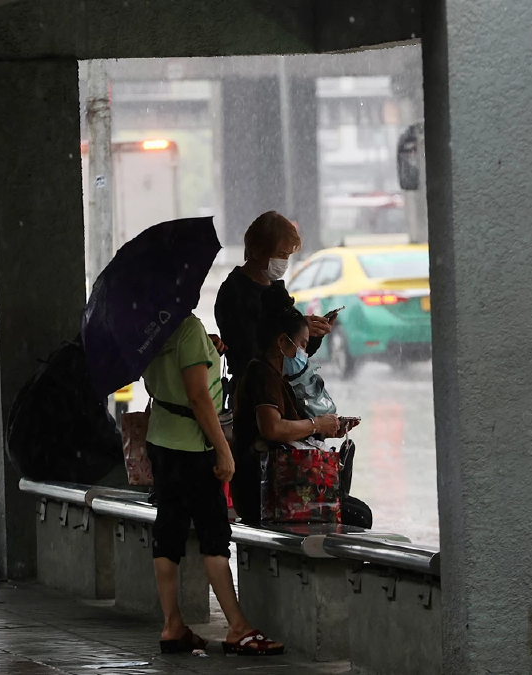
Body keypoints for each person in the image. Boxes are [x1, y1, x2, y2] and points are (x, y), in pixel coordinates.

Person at [141, 312, 284, 656]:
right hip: (193, 447)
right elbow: (198, 397)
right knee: (214, 535)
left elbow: (168, 379)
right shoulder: (187, 327)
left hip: (161, 439)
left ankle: (173, 624)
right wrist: (224, 451)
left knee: (169, 531)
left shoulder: (150, 326)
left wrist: (207, 350)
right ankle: (237, 628)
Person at [232, 293, 368, 526]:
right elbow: (272, 428)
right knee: (359, 516)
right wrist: (317, 424)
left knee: (357, 510)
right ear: (282, 342)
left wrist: (327, 428)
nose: (304, 354)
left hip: (279, 483)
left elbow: (291, 429)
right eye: (302, 345)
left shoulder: (277, 375)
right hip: (264, 489)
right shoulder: (262, 375)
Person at [215, 211, 332, 392]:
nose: (284, 262)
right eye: (280, 255)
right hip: (253, 391)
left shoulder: (276, 289)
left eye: (287, 256)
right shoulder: (234, 293)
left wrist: (311, 333)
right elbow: (249, 351)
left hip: (282, 388)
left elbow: (295, 356)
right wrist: (295, 330)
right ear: (256, 251)